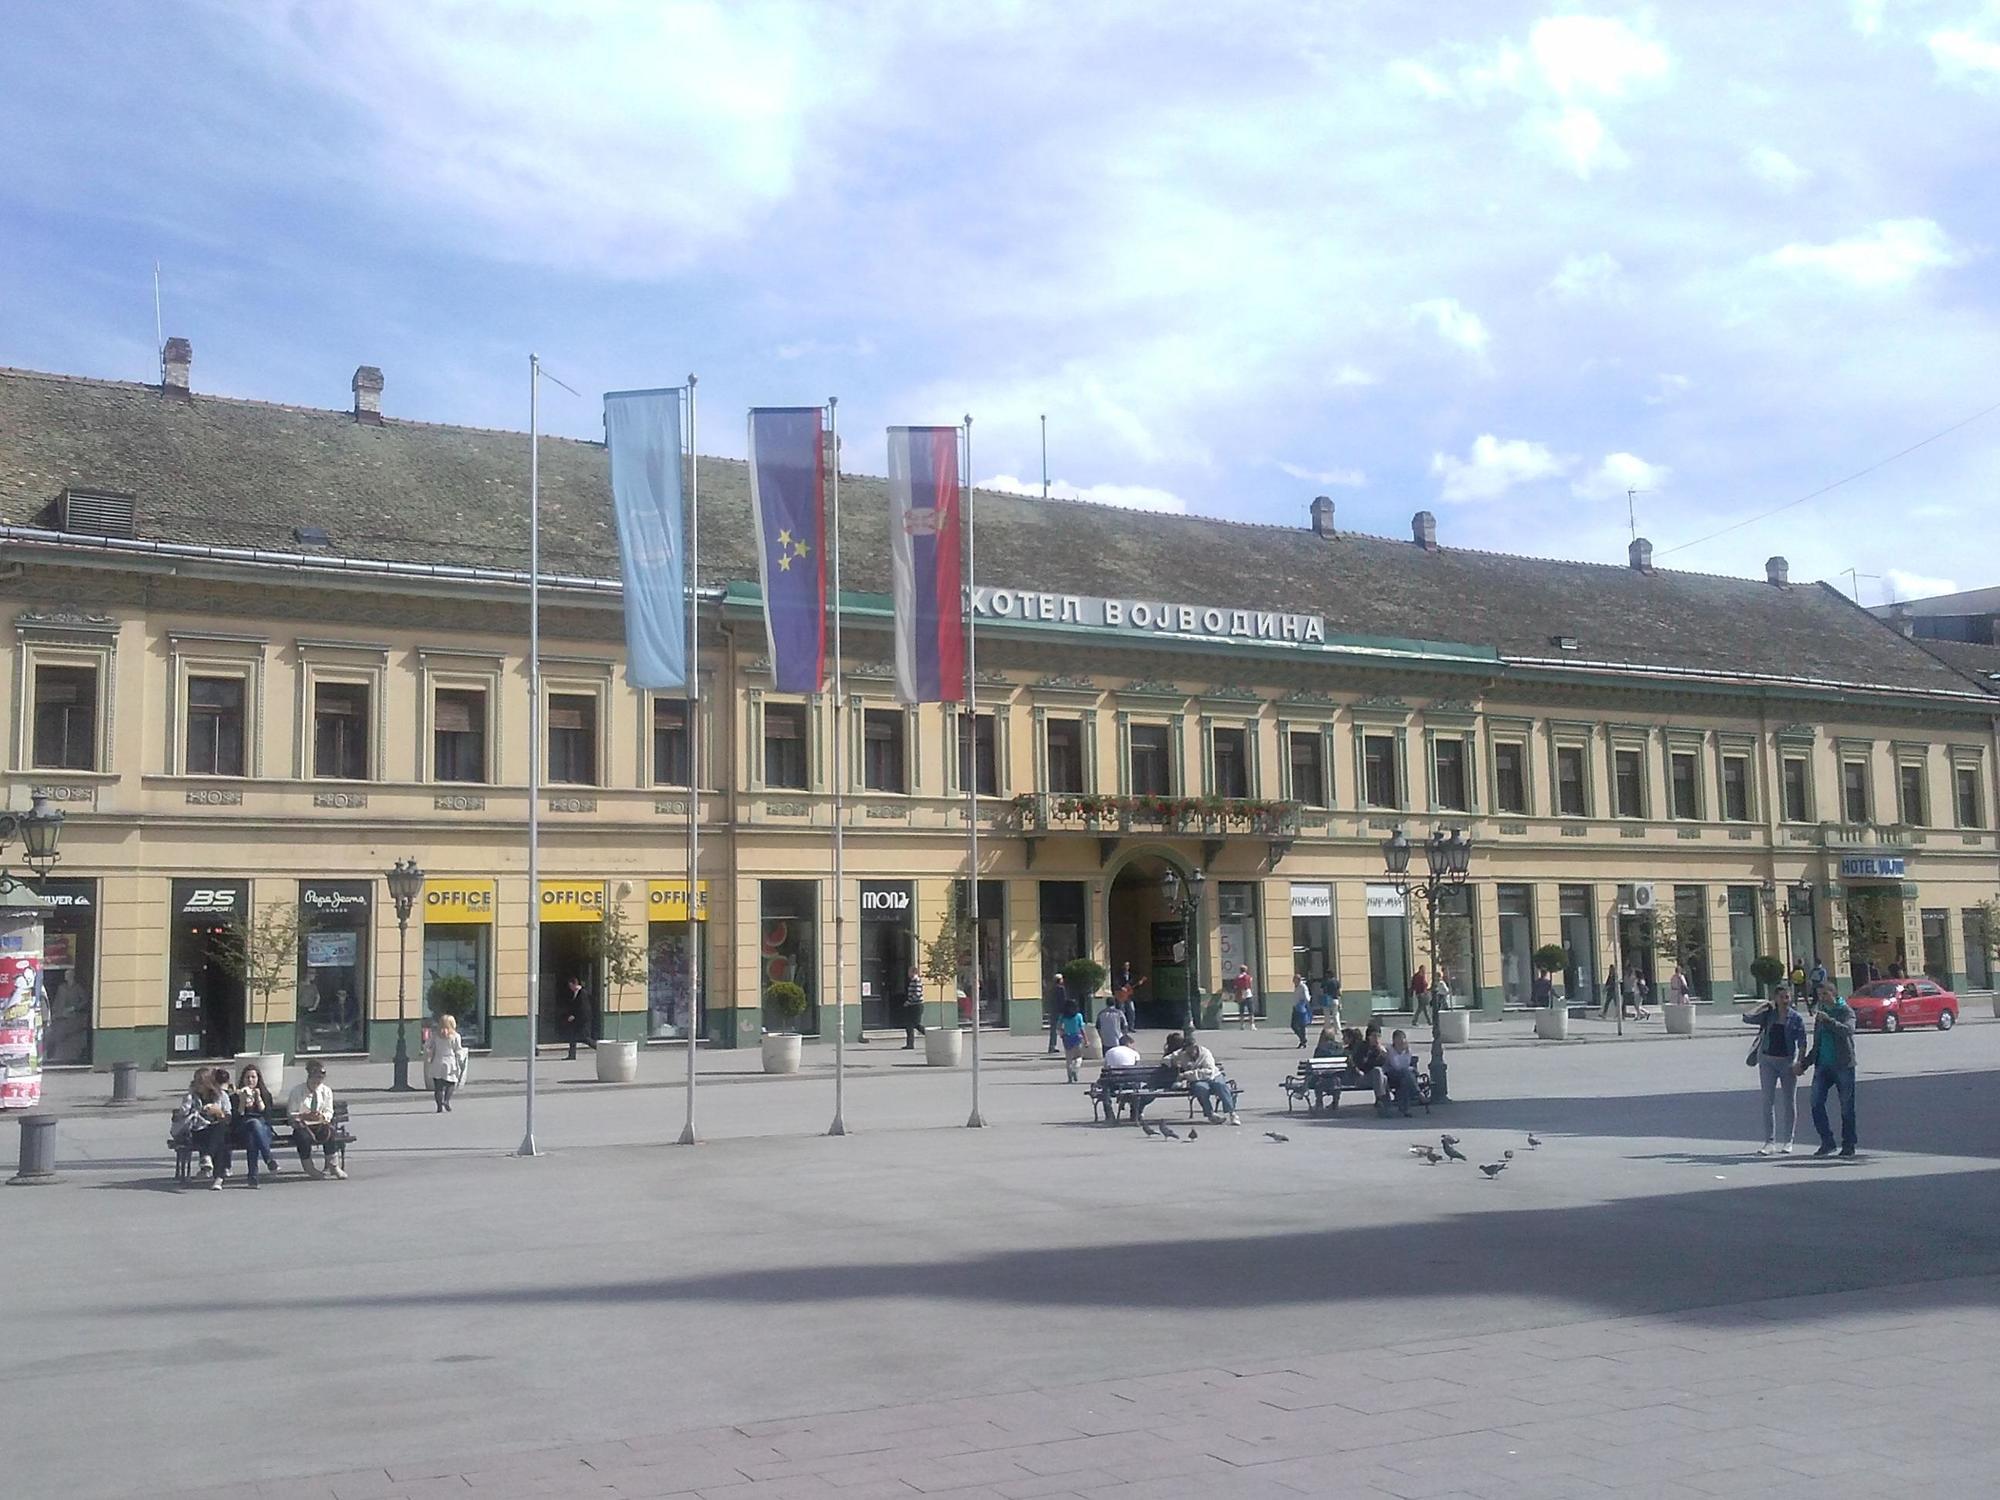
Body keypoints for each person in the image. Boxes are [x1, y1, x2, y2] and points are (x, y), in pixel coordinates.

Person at [1744, 986, 1808, 1155]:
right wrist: (1762, 1005)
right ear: (1775, 998)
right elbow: (1747, 1018)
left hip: (1787, 1063)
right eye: (1781, 997)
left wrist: (1799, 1062)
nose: (1785, 1000)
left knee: (1789, 1102)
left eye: (1787, 997)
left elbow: (1802, 1042)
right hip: (1767, 1062)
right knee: (1768, 1101)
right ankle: (1769, 1142)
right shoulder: (1769, 1015)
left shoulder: (1795, 1018)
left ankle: (1788, 1141)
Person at [1798, 984, 1858, 1157]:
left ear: (1834, 994)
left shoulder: (1845, 1010)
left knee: (1846, 1107)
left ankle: (1849, 1145)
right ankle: (1827, 1142)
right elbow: (1817, 1043)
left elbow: (1848, 1031)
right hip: (1823, 1065)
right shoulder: (1821, 1014)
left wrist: (1829, 1021)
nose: (1822, 997)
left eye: (1825, 994)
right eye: (1819, 994)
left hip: (1843, 1065)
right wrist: (1805, 1063)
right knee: (1816, 1103)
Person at [286, 1060, 345, 1179]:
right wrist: (303, 1116)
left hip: (319, 1124)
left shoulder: (326, 1091)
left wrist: (323, 1117)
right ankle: (309, 1168)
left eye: (320, 1079)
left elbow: (329, 1110)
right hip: (302, 1125)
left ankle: (333, 1166)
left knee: (330, 1133)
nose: (317, 1082)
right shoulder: (297, 1091)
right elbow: (291, 1112)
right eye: (315, 1078)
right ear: (309, 1076)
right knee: (303, 1137)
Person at [1169, 1033, 1240, 1124]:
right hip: (1198, 1080)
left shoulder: (1205, 1053)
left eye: (1188, 1048)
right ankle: (1210, 1114)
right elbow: (1169, 1058)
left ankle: (1232, 1114)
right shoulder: (1183, 1054)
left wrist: (1186, 1074)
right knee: (1201, 1088)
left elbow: (1208, 1071)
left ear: (1194, 1047)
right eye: (1185, 1049)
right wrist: (1172, 1062)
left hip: (1213, 1076)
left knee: (1221, 1086)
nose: (1187, 1052)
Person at [230, 1063, 281, 1187]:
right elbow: (236, 1119)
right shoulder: (236, 1096)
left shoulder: (265, 1094)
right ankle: (268, 1159)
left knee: (253, 1136)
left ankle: (253, 1177)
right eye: (247, 1077)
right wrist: (242, 1101)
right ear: (243, 1079)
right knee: (252, 1125)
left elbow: (267, 1116)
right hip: (242, 1128)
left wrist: (258, 1099)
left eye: (253, 1077)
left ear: (258, 1079)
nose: (250, 1080)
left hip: (263, 1130)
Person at [425, 1011, 468, 1112]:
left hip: (437, 1061)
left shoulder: (436, 1035)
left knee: (438, 1086)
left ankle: (439, 1107)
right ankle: (446, 1100)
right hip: (449, 1062)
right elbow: (458, 1049)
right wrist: (460, 1060)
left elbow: (427, 1045)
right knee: (451, 1083)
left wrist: (429, 1052)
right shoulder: (455, 1036)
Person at [1348, 1022, 1390, 1113]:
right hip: (1360, 1078)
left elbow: (1384, 1066)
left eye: (1379, 1036)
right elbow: (1358, 1064)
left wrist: (1382, 1055)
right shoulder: (1361, 1047)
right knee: (1378, 1072)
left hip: (1376, 1078)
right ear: (1368, 1036)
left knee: (1383, 1076)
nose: (1377, 1039)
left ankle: (1382, 1102)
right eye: (1374, 1036)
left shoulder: (1379, 1049)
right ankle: (1381, 1099)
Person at [1383, 1029, 1420, 1116]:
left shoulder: (1407, 1050)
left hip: (1403, 1076)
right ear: (1394, 1040)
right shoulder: (1389, 1049)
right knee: (1406, 1074)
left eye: (1403, 1038)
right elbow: (1396, 1066)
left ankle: (1405, 1109)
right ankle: (1418, 1094)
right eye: (1399, 1038)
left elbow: (1406, 1064)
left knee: (1405, 1081)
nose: (1402, 1040)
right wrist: (1400, 1053)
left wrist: (1406, 1052)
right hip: (1390, 1076)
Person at [562, 975, 596, 1060]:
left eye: (570, 986)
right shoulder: (576, 993)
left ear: (574, 984)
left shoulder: (582, 993)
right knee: (572, 1037)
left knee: (585, 1038)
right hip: (577, 1020)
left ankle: (600, 1049)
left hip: (582, 1020)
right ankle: (571, 1055)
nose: (570, 988)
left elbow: (584, 1008)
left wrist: (574, 1016)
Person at [1058, 1000, 1087, 1083]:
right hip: (1077, 1037)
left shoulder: (1063, 1016)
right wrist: (1086, 1040)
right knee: (1079, 1057)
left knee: (1069, 1059)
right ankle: (1076, 1068)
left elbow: (1059, 1027)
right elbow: (1082, 1028)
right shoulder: (1078, 1016)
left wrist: (1062, 1034)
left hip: (1067, 1037)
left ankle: (1070, 1078)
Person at [903, 966, 927, 1049]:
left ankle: (930, 1035)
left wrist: (908, 1002)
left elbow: (917, 994)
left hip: (916, 1005)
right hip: (914, 1005)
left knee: (914, 1024)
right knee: (911, 1025)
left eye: (909, 972)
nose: (908, 974)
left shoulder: (916, 981)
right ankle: (910, 1044)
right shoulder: (913, 981)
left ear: (913, 972)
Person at [1045, 971, 1068, 1055]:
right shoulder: (1061, 989)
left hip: (1053, 1010)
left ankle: (1052, 1046)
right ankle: (1068, 1045)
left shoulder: (1051, 988)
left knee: (1053, 1029)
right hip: (1060, 1011)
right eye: (1062, 979)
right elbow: (1063, 1000)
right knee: (1064, 1028)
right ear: (1059, 980)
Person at [1290, 977, 1313, 1049]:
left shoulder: (1303, 987)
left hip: (1301, 1008)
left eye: (1294, 980)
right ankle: (1303, 1040)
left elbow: (1307, 997)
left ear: (1298, 980)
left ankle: (1303, 1041)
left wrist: (1305, 1004)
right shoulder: (1297, 987)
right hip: (1296, 1007)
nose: (1293, 981)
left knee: (1301, 1025)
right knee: (1294, 1025)